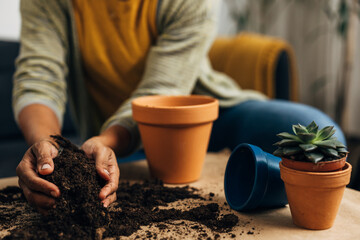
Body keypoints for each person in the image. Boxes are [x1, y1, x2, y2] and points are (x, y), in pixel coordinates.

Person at [14, 0, 345, 214]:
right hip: (123, 139)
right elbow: (39, 77)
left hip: (210, 113)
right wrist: (50, 150)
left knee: (314, 128)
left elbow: (161, 90)